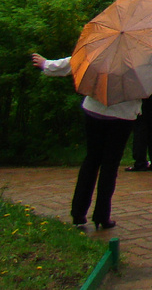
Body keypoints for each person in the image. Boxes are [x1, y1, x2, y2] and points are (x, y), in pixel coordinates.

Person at [31, 51, 140, 230]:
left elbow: (75, 62)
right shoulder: (142, 53)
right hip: (123, 113)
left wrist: (47, 64)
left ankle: (79, 213)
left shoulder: (102, 47)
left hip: (95, 108)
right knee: (110, 165)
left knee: (91, 160)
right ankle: (102, 215)